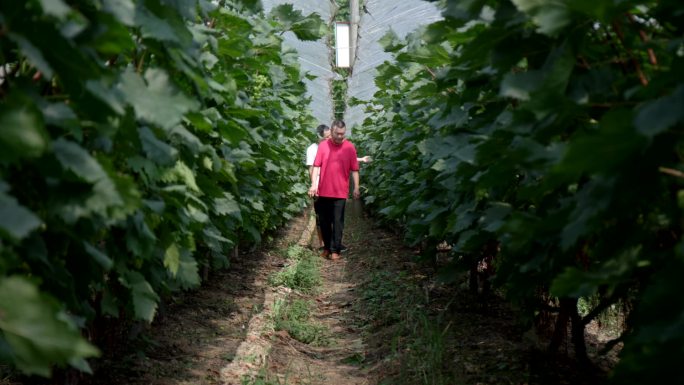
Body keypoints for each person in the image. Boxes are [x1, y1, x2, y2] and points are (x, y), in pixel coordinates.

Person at [308, 120, 360, 261]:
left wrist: (356, 187)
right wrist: (314, 184)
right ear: (331, 131)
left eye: (342, 134)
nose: (339, 136)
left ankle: (335, 250)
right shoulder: (323, 146)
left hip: (340, 192)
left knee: (337, 222)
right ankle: (326, 248)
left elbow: (354, 169)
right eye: (337, 133)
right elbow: (317, 166)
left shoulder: (349, 147)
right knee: (324, 222)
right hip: (324, 190)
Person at [306, 124, 331, 250]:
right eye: (326, 137)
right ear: (319, 137)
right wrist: (314, 186)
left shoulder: (331, 147)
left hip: (331, 184)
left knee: (332, 214)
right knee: (320, 215)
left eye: (330, 135)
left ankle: (331, 242)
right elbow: (311, 169)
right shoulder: (312, 149)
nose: (329, 138)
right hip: (318, 185)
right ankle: (322, 243)